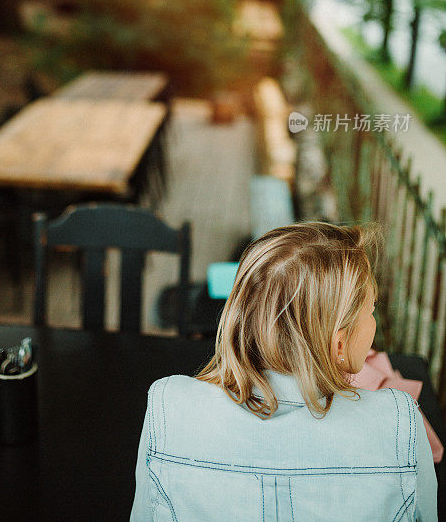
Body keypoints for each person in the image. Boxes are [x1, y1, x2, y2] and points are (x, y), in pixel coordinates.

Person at [130, 222, 437, 521]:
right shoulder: (400, 423)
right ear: (339, 344)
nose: (373, 322)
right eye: (371, 309)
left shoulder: (168, 407)